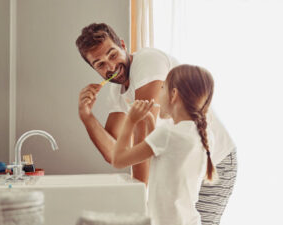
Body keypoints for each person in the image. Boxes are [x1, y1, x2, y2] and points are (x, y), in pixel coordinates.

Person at [76, 23, 237, 225]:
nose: (110, 67)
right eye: (100, 64)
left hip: (215, 160)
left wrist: (139, 204)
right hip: (181, 168)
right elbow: (114, 152)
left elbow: (134, 149)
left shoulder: (147, 63)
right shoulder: (116, 92)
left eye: (113, 55)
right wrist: (86, 116)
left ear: (123, 45)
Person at [112, 64, 216, 225]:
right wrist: (150, 121)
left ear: (173, 94)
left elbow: (118, 160)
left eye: (162, 88)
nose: (158, 93)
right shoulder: (201, 133)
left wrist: (130, 120)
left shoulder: (167, 134)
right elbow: (165, 155)